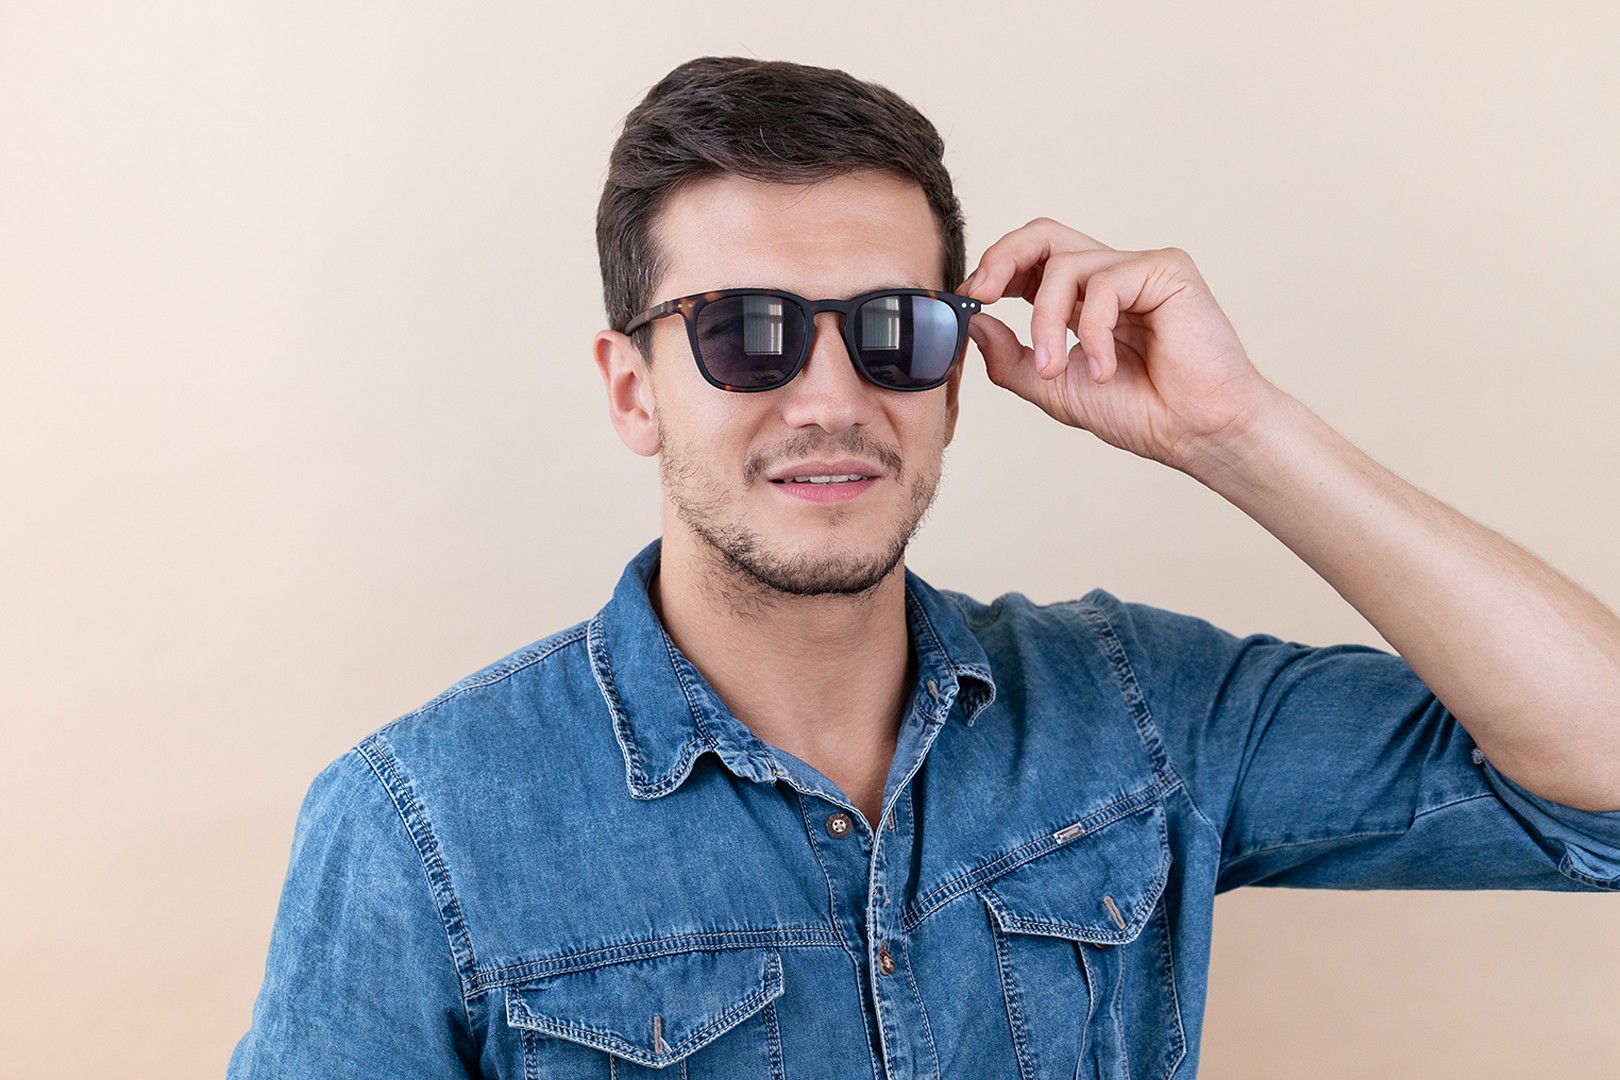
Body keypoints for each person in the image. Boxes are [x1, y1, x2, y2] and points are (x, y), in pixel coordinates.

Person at [229, 56, 1620, 1079]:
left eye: (894, 329)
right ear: (633, 388)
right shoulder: (418, 828)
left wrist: (1236, 432)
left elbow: (1598, 786)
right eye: (747, 333)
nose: (833, 399)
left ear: (954, 380)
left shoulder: (1137, 715)